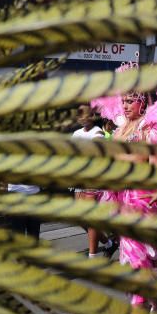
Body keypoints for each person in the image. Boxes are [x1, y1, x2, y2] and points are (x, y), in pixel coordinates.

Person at [91, 79, 157, 314]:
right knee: (144, 255)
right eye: (124, 101)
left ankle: (138, 305)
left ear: (142, 103)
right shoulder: (119, 131)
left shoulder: (148, 129)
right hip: (121, 196)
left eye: (130, 101)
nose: (126, 105)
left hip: (141, 198)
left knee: (135, 252)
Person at [71, 104, 115, 258]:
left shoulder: (98, 133)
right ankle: (109, 243)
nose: (84, 118)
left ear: (93, 116)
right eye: (80, 115)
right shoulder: (76, 134)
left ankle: (93, 256)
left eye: (87, 114)